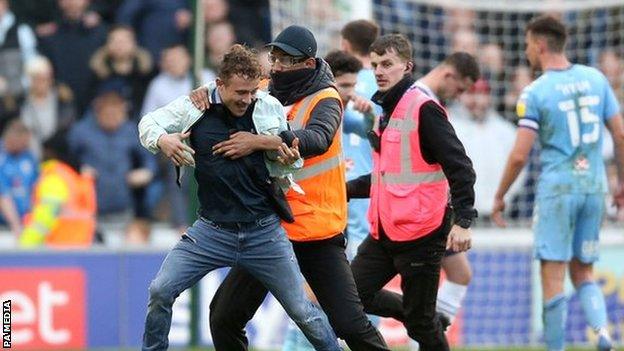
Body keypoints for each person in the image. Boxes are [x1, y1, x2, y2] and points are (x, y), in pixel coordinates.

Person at [191, 25, 389, 351]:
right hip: (270, 228)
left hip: (315, 229)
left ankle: (414, 312)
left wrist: (265, 141)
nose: (278, 65)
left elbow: (318, 138)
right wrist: (202, 95)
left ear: (307, 64)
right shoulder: (266, 89)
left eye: (286, 59)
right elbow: (227, 94)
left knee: (350, 324)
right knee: (223, 316)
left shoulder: (326, 98)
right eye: (275, 56)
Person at [138, 44, 339, 351]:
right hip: (211, 232)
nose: (247, 100)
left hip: (263, 232)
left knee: (303, 312)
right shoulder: (195, 106)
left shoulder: (268, 105)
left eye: (251, 92)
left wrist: (273, 149)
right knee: (160, 290)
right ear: (220, 85)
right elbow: (147, 124)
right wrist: (164, 139)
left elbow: (292, 160)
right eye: (240, 93)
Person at [492, 15, 624, 351]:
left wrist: (500, 194)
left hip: (558, 190)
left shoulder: (536, 92)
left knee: (552, 277)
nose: (525, 53)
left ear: (539, 44)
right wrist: (621, 183)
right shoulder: (596, 79)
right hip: (594, 186)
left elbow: (520, 155)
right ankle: (604, 332)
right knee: (584, 273)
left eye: (526, 46)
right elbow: (620, 133)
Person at [347, 34, 477, 351]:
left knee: (420, 326)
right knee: (350, 299)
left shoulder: (424, 108)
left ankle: (424, 315)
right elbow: (385, 176)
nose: (379, 71)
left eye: (387, 64)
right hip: (385, 231)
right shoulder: (385, 111)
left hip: (421, 233)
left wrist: (463, 221)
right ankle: (424, 313)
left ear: (407, 66)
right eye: (375, 64)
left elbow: (461, 167)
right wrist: (343, 189)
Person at [407, 52, 480, 330]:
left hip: (431, 207)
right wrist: (463, 220)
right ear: (449, 75)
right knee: (417, 295)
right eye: (460, 89)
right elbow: (460, 166)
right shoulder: (422, 103)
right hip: (415, 211)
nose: (459, 96)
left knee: (460, 274)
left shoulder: (423, 99)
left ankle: (431, 335)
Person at [19, 132, 96, 247]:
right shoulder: (77, 177)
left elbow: (44, 217)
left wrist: (25, 245)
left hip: (58, 247)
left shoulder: (54, 177)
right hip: (82, 246)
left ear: (49, 152)